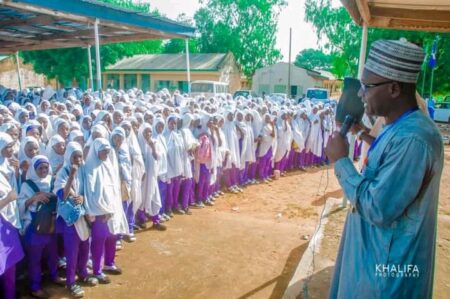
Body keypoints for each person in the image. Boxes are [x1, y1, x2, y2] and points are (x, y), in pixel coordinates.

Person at [325, 39, 444, 299]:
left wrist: (342, 161)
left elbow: (378, 207)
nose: (360, 94)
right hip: (373, 260)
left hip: (385, 276)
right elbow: (385, 160)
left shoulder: (414, 139)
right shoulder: (399, 127)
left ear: (393, 89)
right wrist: (360, 134)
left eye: (367, 87)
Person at [53, 142, 97, 297]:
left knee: (85, 246)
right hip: (70, 219)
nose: (78, 159)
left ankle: (83, 273)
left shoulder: (84, 170)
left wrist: (84, 197)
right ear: (68, 157)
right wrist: (71, 176)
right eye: (75, 156)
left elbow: (89, 189)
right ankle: (71, 282)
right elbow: (62, 195)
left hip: (84, 215)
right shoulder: (63, 173)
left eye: (80, 156)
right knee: (72, 251)